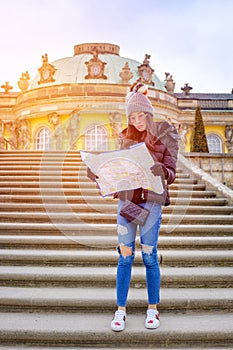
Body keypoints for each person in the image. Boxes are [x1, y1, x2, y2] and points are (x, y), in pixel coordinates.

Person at [87, 82, 179, 332]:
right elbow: (118, 170)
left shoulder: (165, 133)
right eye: (133, 116)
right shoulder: (125, 138)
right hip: (127, 202)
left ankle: (152, 309)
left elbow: (171, 171)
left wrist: (163, 172)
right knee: (124, 257)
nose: (138, 120)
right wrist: (98, 172)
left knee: (149, 256)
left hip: (152, 202)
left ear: (149, 114)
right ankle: (120, 311)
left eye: (141, 115)